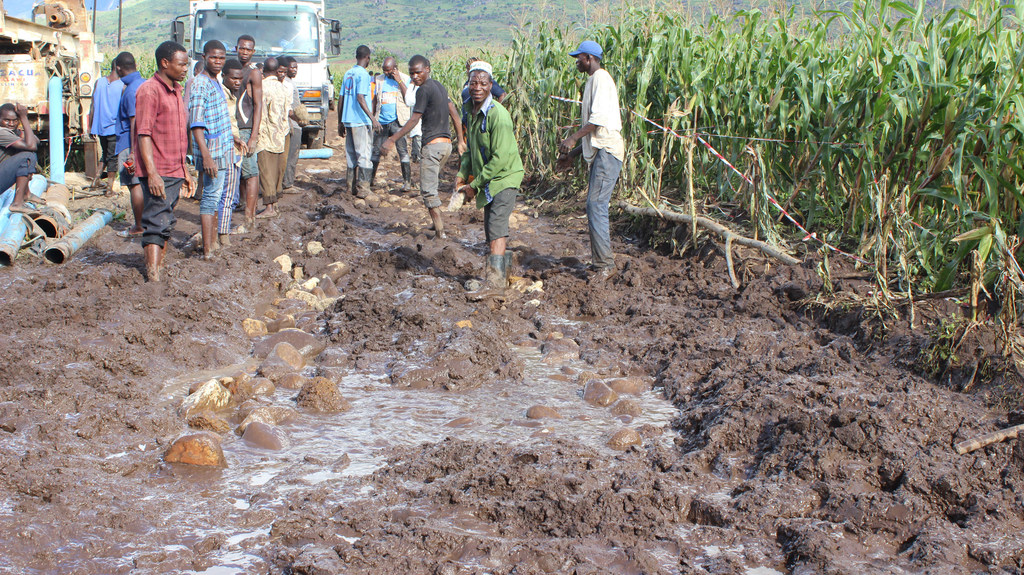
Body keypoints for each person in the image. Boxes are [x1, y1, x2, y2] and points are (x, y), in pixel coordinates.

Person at [452, 65, 524, 298]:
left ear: (490, 86)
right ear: (468, 84)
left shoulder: (498, 115)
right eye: (474, 83)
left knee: (496, 226)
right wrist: (463, 175)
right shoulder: (470, 111)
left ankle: (494, 286)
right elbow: (471, 150)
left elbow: (500, 158)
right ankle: (503, 273)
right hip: (489, 178)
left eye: (483, 83)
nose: (478, 88)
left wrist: (474, 186)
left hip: (505, 176)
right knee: (491, 228)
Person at [558, 40, 625, 283]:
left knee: (596, 204)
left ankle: (605, 265)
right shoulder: (592, 81)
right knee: (594, 204)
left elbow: (598, 122)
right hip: (603, 150)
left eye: (579, 58)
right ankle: (601, 262)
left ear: (588, 57)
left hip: (608, 151)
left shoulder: (601, 79)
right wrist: (573, 157)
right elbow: (595, 131)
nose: (576, 62)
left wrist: (572, 139)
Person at [382, 54, 465, 239]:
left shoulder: (423, 90)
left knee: (428, 192)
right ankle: (436, 225)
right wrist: (459, 140)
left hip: (432, 147)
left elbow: (413, 119)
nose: (414, 77)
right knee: (431, 186)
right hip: (446, 147)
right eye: (411, 73)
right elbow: (455, 115)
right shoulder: (440, 87)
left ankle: (440, 232)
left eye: (418, 72)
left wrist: (392, 139)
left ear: (427, 69)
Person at [134, 41, 195, 282]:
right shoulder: (150, 90)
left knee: (166, 220)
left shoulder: (176, 90)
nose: (185, 69)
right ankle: (153, 277)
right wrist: (152, 173)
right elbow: (144, 133)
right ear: (165, 63)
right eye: (181, 64)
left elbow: (179, 135)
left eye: (187, 64)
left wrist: (185, 170)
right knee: (156, 222)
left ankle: (157, 268)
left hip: (174, 167)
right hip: (159, 169)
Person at [187, 40, 233, 258]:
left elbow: (215, 118)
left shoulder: (215, 81)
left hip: (221, 149)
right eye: (214, 57)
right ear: (204, 57)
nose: (218, 61)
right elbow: (196, 122)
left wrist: (233, 137)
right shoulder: (201, 83)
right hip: (212, 153)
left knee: (215, 197)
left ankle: (213, 243)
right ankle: (207, 249)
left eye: (221, 58)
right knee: (210, 198)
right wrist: (206, 156)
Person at [337, 45, 378, 198]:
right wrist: (372, 118)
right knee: (364, 154)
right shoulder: (363, 74)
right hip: (360, 120)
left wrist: (340, 121)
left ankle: (350, 187)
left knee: (351, 155)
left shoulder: (348, 73)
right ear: (367, 57)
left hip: (348, 119)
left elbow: (341, 98)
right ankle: (364, 189)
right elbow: (361, 97)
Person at [114, 51, 147, 237]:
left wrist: (133, 152)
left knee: (135, 184)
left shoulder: (131, 89)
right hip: (143, 141)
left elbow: (135, 121)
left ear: (119, 68)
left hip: (129, 142)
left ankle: (139, 226)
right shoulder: (143, 83)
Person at [255, 57, 291, 219]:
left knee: (265, 170)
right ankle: (275, 203)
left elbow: (260, 113)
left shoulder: (262, 87)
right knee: (276, 170)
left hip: (265, 134)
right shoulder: (284, 88)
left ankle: (269, 207)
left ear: (263, 71)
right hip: (280, 134)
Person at [370, 56, 413, 191]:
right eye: (384, 70)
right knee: (376, 151)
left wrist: (398, 80)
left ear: (395, 68)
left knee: (403, 152)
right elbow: (375, 100)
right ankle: (370, 180)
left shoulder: (405, 79)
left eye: (388, 70)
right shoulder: (379, 80)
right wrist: (373, 119)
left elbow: (409, 99)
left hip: (398, 122)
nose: (386, 73)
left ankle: (407, 182)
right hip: (381, 121)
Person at [234, 34, 263, 229]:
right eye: (241, 48)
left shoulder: (253, 73)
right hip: (235, 129)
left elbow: (258, 105)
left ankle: (249, 218)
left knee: (250, 172)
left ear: (253, 51)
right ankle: (244, 206)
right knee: (241, 173)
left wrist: (253, 135)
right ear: (236, 48)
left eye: (248, 49)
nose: (244, 52)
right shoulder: (235, 70)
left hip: (246, 130)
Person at [217, 58, 247, 246]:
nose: (237, 82)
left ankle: (220, 231)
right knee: (227, 195)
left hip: (233, 147)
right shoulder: (221, 95)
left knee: (229, 195)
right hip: (225, 150)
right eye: (233, 78)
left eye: (239, 79)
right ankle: (223, 234)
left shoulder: (231, 95)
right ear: (224, 76)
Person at [89, 63, 124, 196]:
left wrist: (90, 126)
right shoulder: (122, 86)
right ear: (119, 68)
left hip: (100, 127)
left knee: (105, 154)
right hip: (114, 128)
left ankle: (96, 180)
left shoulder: (99, 82)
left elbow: (92, 105)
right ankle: (109, 188)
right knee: (113, 158)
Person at [0, 103, 41, 213]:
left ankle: (26, 194)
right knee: (27, 156)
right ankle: (17, 204)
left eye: (15, 120)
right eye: (6, 120)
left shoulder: (12, 132)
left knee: (28, 152)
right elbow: (32, 145)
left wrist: (21, 132)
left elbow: (35, 141)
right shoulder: (1, 133)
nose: (11, 124)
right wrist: (24, 117)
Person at [460, 56, 507, 127]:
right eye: (467, 68)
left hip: (481, 122)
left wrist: (495, 111)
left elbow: (503, 95)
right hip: (468, 123)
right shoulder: (467, 84)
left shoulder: (486, 82)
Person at [279, 56, 303, 191]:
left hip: (294, 123)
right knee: (291, 155)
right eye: (291, 67)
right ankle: (287, 184)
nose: (294, 70)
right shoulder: (287, 84)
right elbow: (287, 107)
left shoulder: (290, 82)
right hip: (292, 124)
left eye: (296, 67)